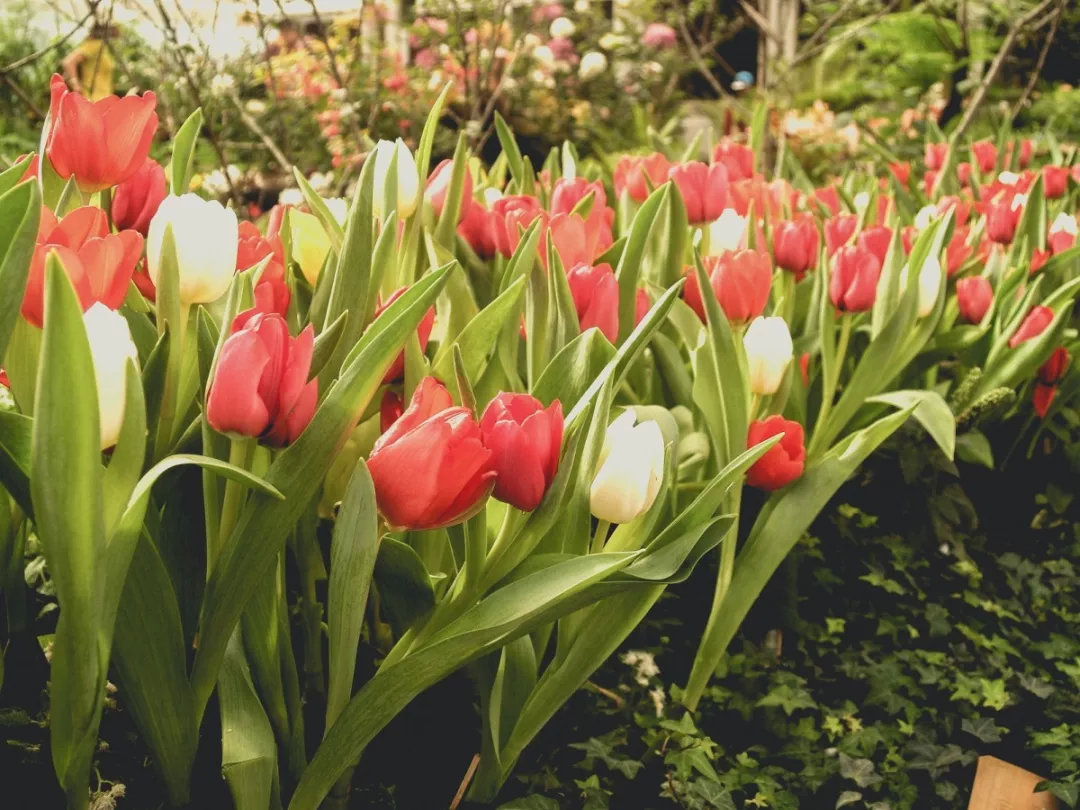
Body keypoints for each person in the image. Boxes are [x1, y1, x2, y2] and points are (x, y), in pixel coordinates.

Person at [61, 23, 116, 101]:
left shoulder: (103, 47)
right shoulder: (95, 45)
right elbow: (68, 62)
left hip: (103, 99)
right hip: (94, 99)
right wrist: (76, 85)